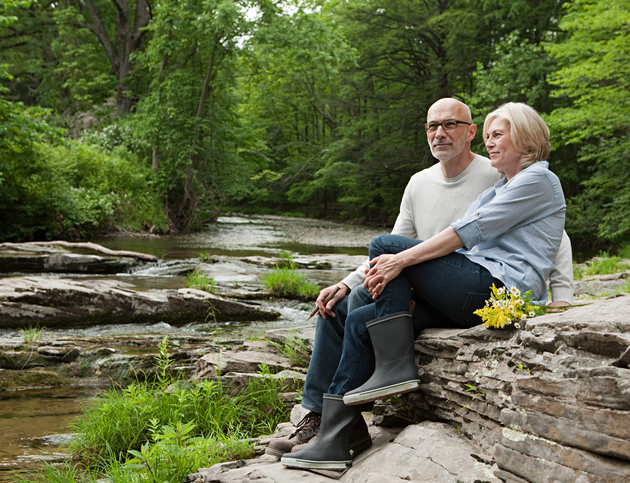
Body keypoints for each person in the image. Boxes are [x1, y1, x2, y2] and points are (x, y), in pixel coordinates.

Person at [265, 98, 573, 457]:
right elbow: (398, 252)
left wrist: (562, 296)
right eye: (432, 126)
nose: (489, 141)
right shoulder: (481, 185)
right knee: (349, 312)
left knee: (383, 248)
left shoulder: (524, 176)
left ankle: (394, 366)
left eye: (496, 134)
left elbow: (541, 235)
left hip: (487, 286)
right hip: (447, 282)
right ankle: (335, 429)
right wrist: (349, 282)